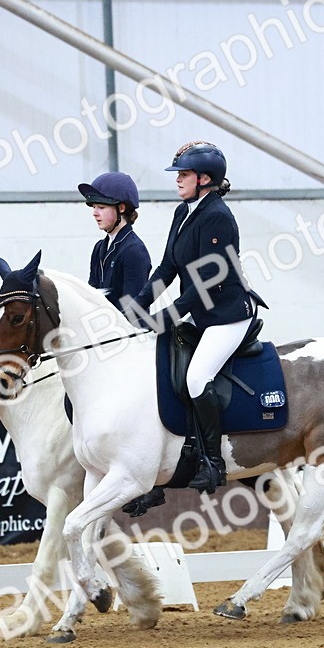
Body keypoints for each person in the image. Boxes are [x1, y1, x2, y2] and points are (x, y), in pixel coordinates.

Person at [131, 141, 264, 493]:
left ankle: (213, 462)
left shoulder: (217, 216)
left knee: (196, 377)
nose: (178, 180)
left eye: (184, 174)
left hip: (228, 316)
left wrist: (169, 314)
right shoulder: (184, 212)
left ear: (205, 179)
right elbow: (168, 267)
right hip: (202, 314)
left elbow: (210, 277)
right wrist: (136, 306)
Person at [78, 172, 151, 311]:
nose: (95, 213)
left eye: (101, 207)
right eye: (94, 207)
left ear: (121, 208)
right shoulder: (99, 248)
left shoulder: (134, 250)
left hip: (129, 330)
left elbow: (132, 308)